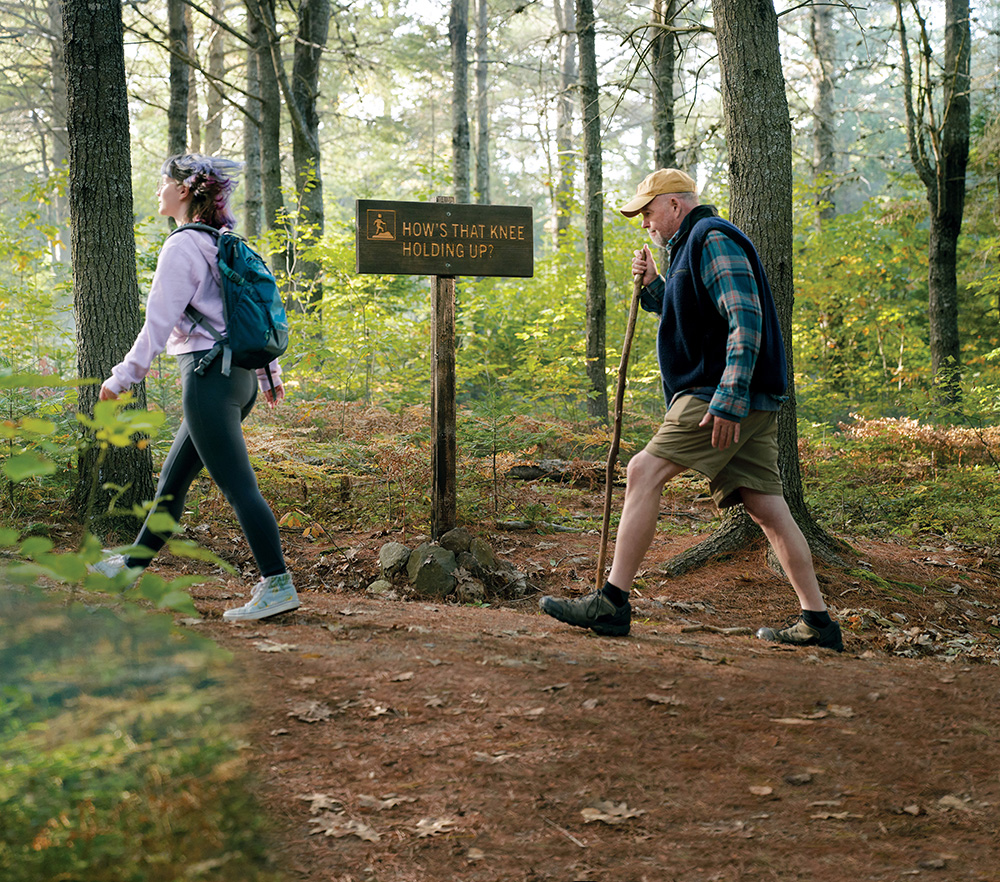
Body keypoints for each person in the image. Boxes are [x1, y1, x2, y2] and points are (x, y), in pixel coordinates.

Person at [539, 168, 842, 651]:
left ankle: (612, 603)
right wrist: (656, 287)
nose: (644, 223)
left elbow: (746, 319)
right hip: (739, 395)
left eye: (647, 211)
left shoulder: (712, 238)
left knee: (643, 471)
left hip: (716, 395)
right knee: (767, 508)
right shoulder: (687, 249)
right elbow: (695, 321)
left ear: (675, 206)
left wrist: (729, 397)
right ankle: (819, 623)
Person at [89, 153, 300, 622]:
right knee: (173, 479)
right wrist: (269, 375)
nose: (159, 190)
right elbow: (246, 313)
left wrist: (122, 377)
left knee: (239, 487)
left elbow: (157, 324)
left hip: (208, 380)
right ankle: (131, 566)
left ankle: (277, 584)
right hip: (237, 379)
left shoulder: (183, 245)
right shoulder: (222, 241)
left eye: (164, 182)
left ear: (184, 190)